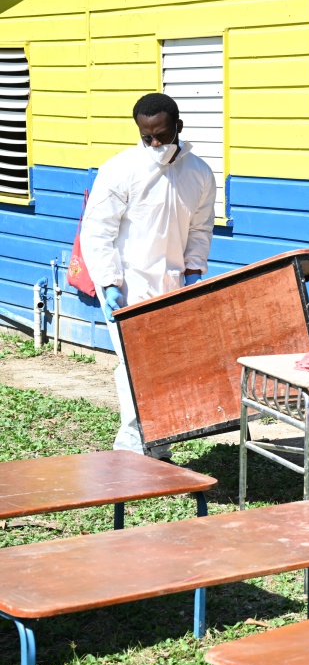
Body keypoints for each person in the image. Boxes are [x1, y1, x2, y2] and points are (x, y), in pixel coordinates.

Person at [80, 92, 216, 458]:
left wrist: (193, 271)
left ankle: (159, 443)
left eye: (162, 134)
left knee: (169, 365)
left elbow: (201, 229)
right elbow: (97, 232)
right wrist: (108, 282)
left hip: (173, 286)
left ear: (179, 128)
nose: (155, 143)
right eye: (147, 136)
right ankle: (131, 444)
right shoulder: (120, 170)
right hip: (128, 286)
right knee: (133, 365)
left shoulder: (199, 173)